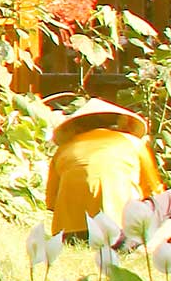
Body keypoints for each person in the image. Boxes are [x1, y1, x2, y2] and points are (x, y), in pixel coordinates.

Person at [47, 99, 164, 237]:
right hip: (121, 230)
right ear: (119, 122)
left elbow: (51, 202)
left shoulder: (63, 150)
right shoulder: (133, 143)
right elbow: (154, 192)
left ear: (77, 126)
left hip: (69, 233)